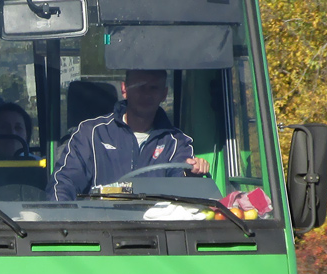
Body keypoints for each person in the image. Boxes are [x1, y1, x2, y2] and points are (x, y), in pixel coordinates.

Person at [50, 69, 209, 201]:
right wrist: (62, 224)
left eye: (153, 88)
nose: (146, 94)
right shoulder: (91, 133)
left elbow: (181, 197)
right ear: (125, 89)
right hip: (99, 229)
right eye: (140, 87)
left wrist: (190, 175)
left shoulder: (176, 143)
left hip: (156, 233)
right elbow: (64, 183)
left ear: (164, 94)